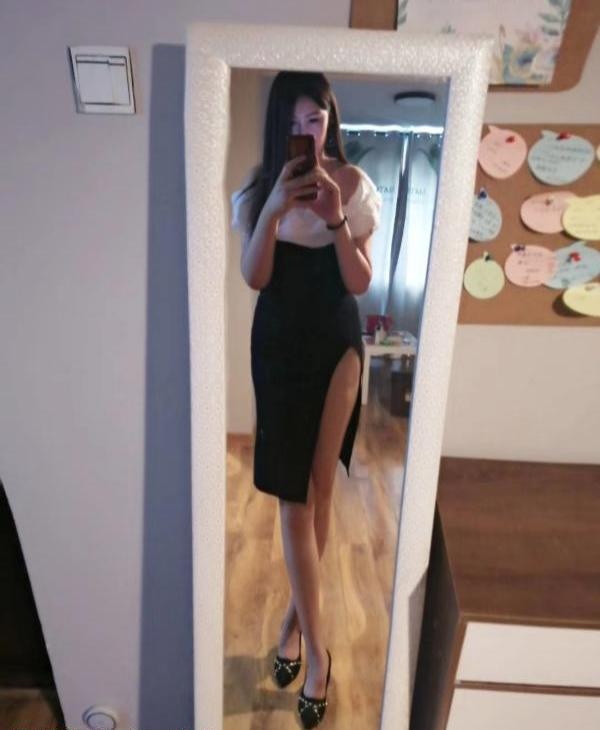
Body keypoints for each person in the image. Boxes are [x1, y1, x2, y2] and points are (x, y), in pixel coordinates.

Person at [231, 70, 381, 728]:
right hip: (278, 345)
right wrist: (272, 210)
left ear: (330, 120)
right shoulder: (255, 192)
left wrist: (335, 218)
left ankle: (296, 629)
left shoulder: (354, 185)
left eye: (314, 121)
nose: (306, 134)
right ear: (278, 127)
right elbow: (255, 275)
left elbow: (359, 282)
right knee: (292, 496)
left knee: (319, 487)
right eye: (293, 124)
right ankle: (317, 653)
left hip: (336, 341)